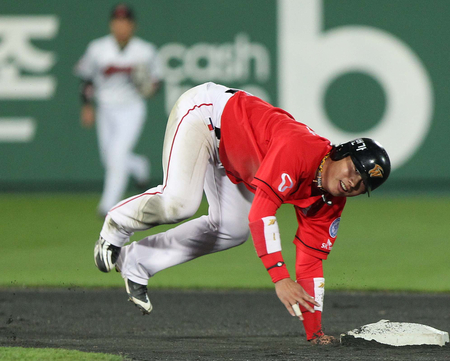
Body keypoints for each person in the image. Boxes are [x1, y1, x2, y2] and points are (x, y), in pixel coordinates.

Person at [93, 82, 391, 345]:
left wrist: (315, 332)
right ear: (339, 153)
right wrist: (280, 278)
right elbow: (262, 213)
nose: (352, 181)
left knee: (232, 230)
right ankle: (116, 224)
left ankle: (136, 263)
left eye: (361, 183)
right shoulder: (299, 150)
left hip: (237, 160)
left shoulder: (332, 201)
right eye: (354, 169)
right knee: (180, 202)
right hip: (206, 116)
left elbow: (311, 261)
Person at [75, 3, 162, 217]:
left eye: (125, 22)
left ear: (133, 26)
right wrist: (87, 106)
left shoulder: (146, 50)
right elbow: (86, 78)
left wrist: (150, 88)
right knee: (110, 158)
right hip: (105, 108)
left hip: (131, 109)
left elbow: (157, 82)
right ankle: (139, 166)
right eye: (117, 21)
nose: (121, 26)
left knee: (116, 155)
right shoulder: (98, 48)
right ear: (111, 24)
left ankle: (108, 206)